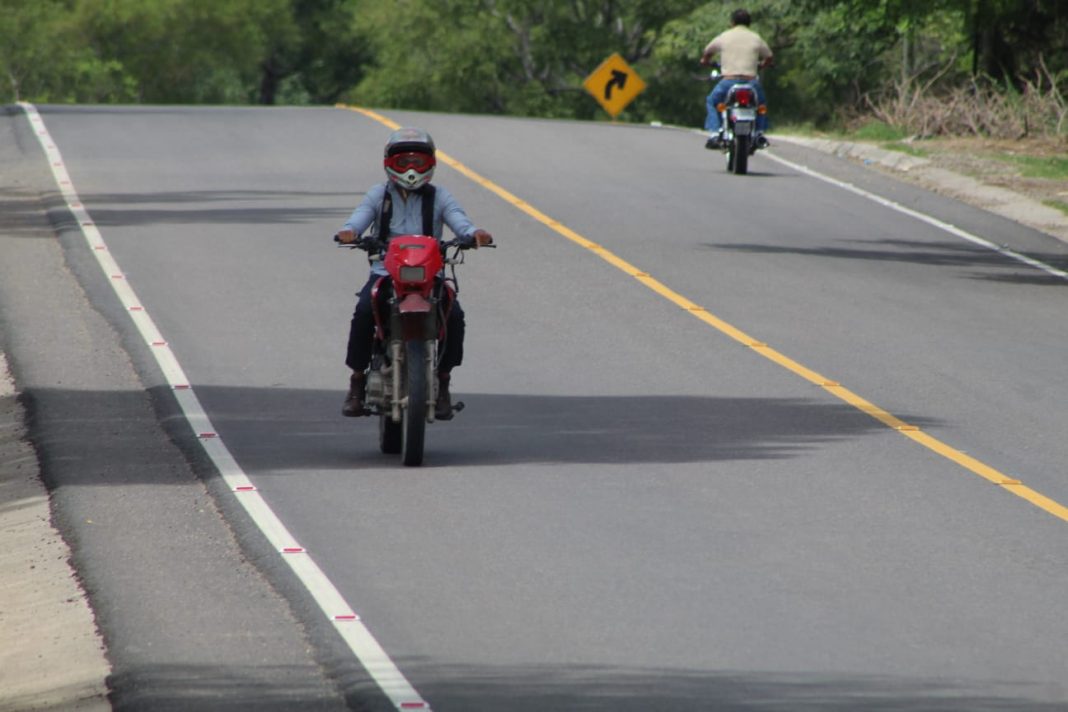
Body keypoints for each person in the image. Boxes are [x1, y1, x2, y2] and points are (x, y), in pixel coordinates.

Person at [336, 127, 493, 419]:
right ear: (389, 163)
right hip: (386, 272)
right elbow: (358, 219)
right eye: (404, 161)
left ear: (430, 163)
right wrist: (349, 231)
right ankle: (356, 382)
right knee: (364, 312)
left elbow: (460, 221)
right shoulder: (378, 194)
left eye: (418, 162)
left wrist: (474, 234)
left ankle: (443, 383)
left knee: (454, 316)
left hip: (428, 275)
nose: (411, 169)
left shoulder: (440, 196)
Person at [700, 8, 774, 150]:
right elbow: (769, 56)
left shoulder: (724, 36)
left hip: (729, 81)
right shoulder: (755, 37)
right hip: (751, 82)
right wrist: (763, 65)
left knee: (712, 101)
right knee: (761, 104)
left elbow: (708, 51)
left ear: (732, 22)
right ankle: (759, 132)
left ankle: (714, 133)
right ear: (749, 23)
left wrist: (705, 60)